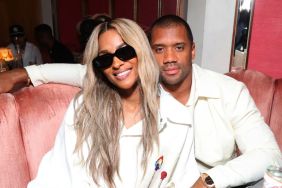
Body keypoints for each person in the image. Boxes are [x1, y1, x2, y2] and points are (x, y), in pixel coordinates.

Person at [0, 15, 281, 187]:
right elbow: (97, 70)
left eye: (179, 48)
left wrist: (211, 181)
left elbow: (269, 157)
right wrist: (25, 73)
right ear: (148, 52)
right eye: (159, 49)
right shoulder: (122, 86)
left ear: (193, 50)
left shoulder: (227, 92)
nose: (169, 58)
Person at [27, 18, 199, 188]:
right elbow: (66, 173)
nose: (116, 63)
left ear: (142, 51)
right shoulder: (84, 107)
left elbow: (183, 179)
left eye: (124, 52)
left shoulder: (177, 118)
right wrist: (26, 73)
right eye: (105, 59)